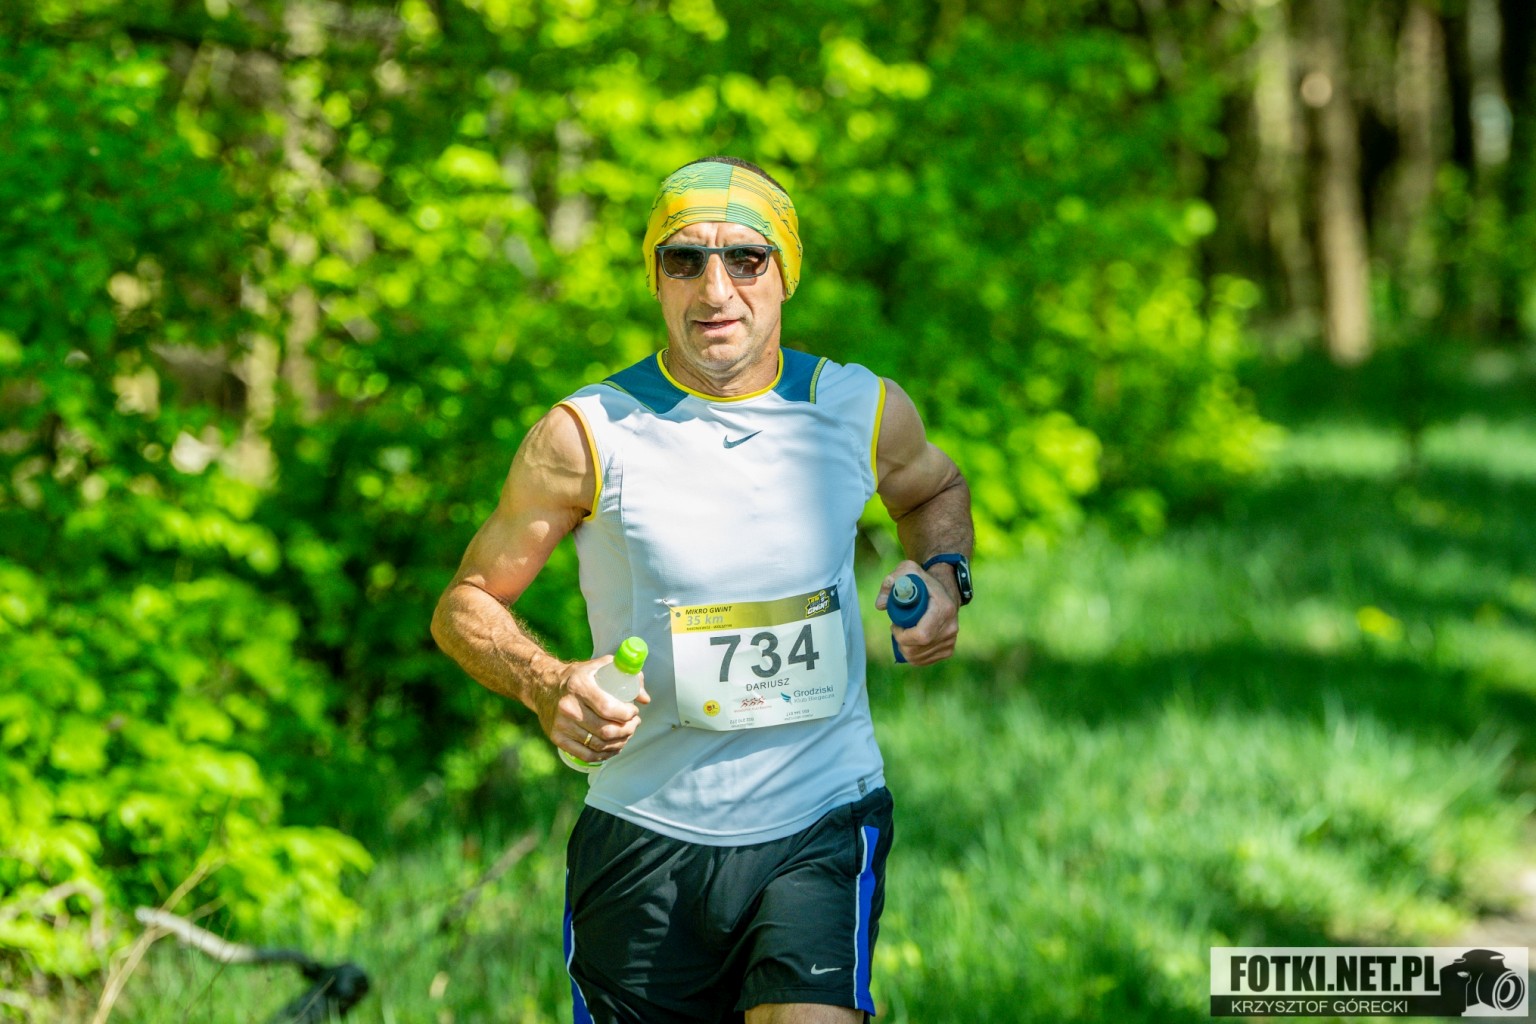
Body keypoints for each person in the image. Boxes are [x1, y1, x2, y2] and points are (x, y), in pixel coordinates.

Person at [431, 156, 973, 1024]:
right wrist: (546, 682)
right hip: (645, 835)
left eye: (746, 259)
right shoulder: (587, 433)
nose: (715, 289)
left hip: (820, 816)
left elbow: (934, 490)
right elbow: (464, 604)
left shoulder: (857, 407)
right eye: (684, 260)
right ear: (656, 278)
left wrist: (945, 578)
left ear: (784, 273)